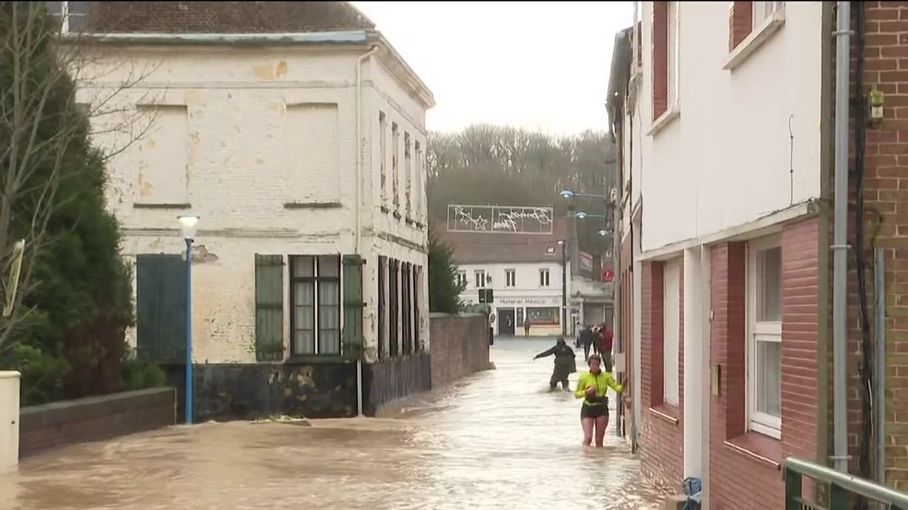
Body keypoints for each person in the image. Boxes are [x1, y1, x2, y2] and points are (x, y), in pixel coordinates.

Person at [574, 353, 623, 447]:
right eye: (592, 364)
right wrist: (586, 392)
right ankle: (586, 458)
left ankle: (598, 459)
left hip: (601, 408)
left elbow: (617, 388)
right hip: (588, 408)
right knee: (588, 438)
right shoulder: (583, 377)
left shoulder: (606, 377)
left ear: (599, 365)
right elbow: (576, 394)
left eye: (597, 364)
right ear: (589, 365)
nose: (595, 366)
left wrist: (624, 386)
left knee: (599, 439)